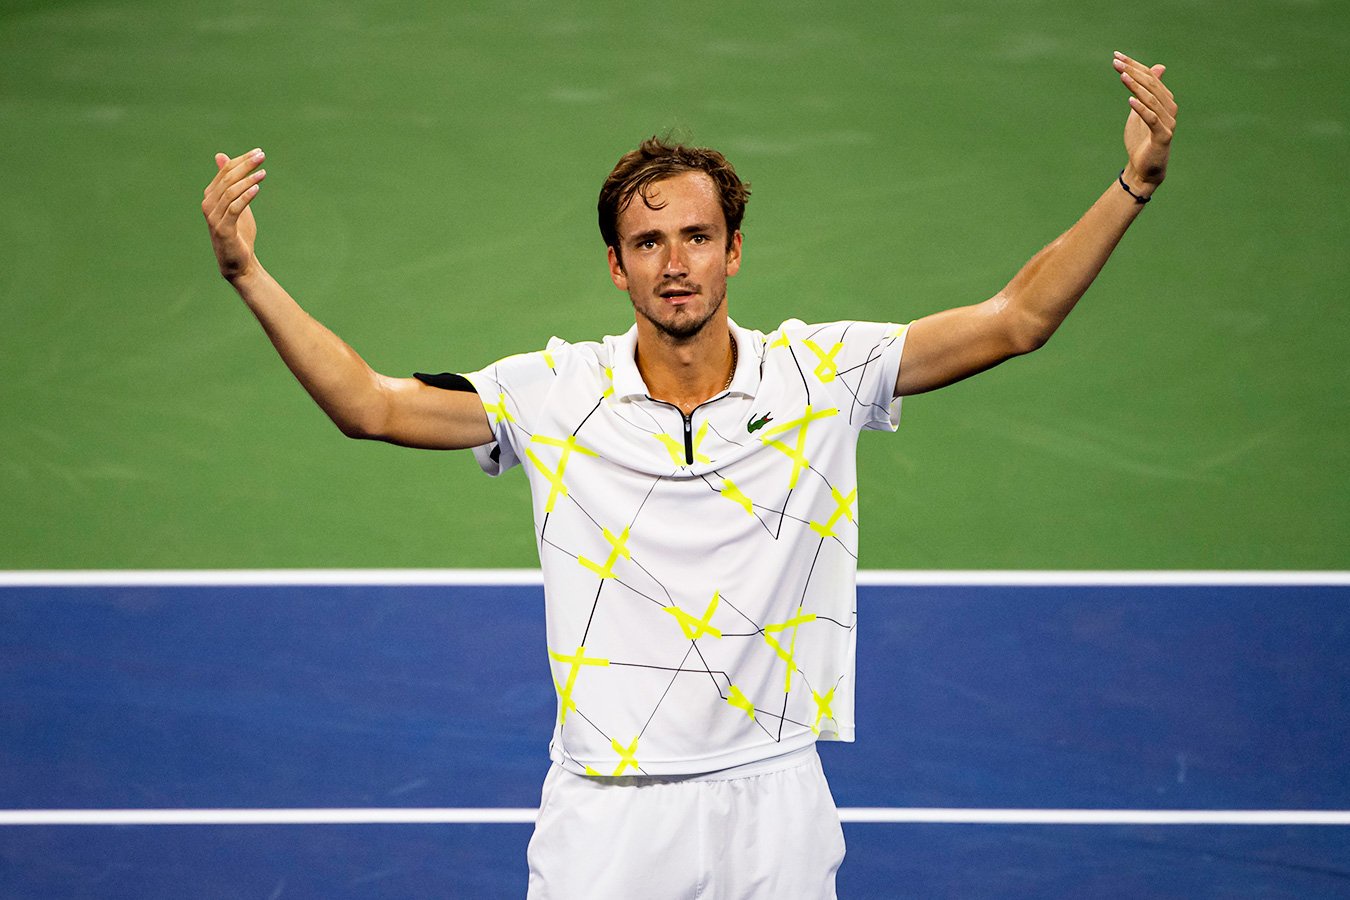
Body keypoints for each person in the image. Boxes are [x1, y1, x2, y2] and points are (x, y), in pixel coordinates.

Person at [202, 52, 1176, 899]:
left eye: (697, 237)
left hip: (774, 798)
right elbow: (370, 406)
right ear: (616, 267)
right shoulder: (551, 393)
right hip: (608, 814)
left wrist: (1133, 184)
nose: (675, 263)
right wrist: (250, 275)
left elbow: (1017, 319)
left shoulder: (821, 375)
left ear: (733, 251)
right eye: (648, 242)